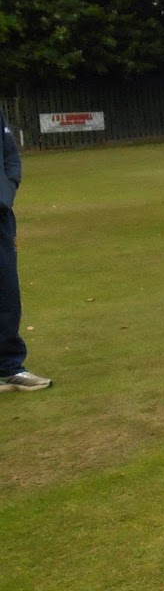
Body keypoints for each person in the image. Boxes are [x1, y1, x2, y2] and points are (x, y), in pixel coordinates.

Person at [0, 105, 49, 392]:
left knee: (6, 291)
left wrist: (7, 189)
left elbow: (10, 155)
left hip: (0, 217)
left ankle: (9, 366)